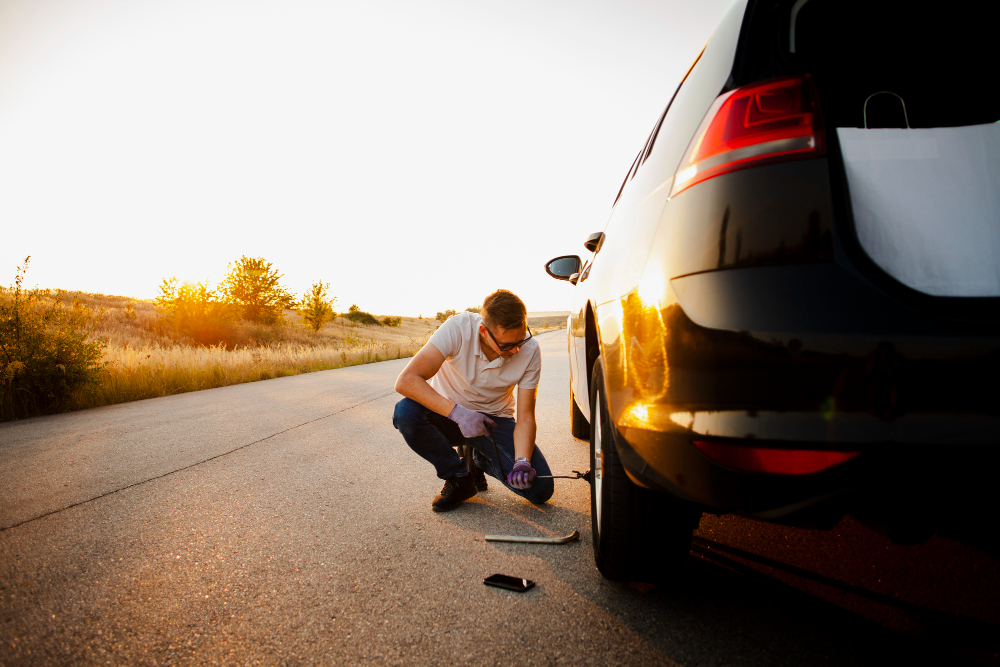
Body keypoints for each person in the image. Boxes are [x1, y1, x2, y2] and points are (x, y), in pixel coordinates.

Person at [392, 289, 554, 512]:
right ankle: (459, 477)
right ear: (483, 331)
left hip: (494, 422)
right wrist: (458, 414)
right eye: (507, 345)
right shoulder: (457, 329)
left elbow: (526, 416)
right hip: (448, 415)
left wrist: (522, 461)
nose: (516, 350)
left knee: (540, 489)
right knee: (405, 413)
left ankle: (481, 458)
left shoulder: (530, 350)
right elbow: (406, 381)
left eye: (521, 339)